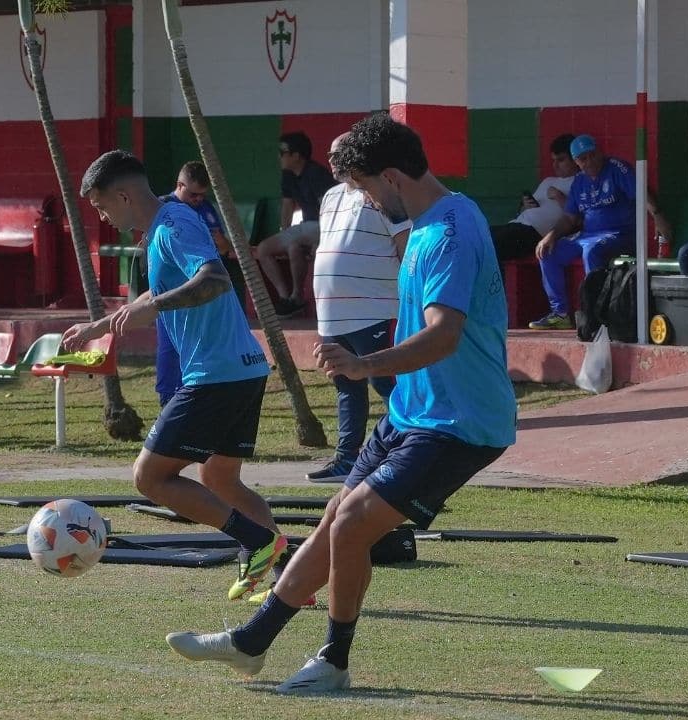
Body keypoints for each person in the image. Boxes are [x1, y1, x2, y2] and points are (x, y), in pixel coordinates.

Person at [165, 112, 516, 694]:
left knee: (352, 524)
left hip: (460, 424)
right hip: (413, 413)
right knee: (335, 520)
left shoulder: (449, 233)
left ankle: (333, 659)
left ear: (392, 176)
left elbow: (444, 334)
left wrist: (364, 365)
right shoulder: (440, 220)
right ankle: (250, 643)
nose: (368, 203)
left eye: (364, 187)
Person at [62, 150, 286, 601]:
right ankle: (280, 579)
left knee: (150, 478)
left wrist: (154, 306)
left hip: (216, 375)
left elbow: (215, 279)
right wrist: (98, 326)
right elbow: (160, 290)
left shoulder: (174, 225)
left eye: (103, 207)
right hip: (244, 369)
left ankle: (258, 540)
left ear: (124, 196)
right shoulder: (168, 226)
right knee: (221, 481)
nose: (104, 219)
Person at [305, 132, 412, 483]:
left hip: (375, 310)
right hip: (333, 315)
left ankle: (411, 452)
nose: (333, 161)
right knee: (345, 388)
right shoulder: (331, 196)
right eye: (330, 154)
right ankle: (346, 460)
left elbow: (404, 244)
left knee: (387, 385)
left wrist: (410, 297)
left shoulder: (381, 194)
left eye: (340, 154)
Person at [528, 134, 671, 329]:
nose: (589, 162)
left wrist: (657, 215)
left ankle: (594, 313)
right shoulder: (579, 181)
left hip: (619, 235)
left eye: (592, 155)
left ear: (599, 152)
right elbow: (570, 218)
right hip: (588, 236)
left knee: (592, 251)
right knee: (547, 252)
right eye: (582, 159)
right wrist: (551, 236)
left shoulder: (617, 169)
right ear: (576, 162)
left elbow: (641, 192)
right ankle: (560, 314)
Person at [155, 161, 247, 405]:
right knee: (170, 351)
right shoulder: (162, 207)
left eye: (202, 195)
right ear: (179, 185)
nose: (197, 199)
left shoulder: (205, 208)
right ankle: (167, 401)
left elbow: (224, 248)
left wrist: (217, 240)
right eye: (192, 194)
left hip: (202, 292)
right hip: (175, 292)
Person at [256, 131, 338, 316]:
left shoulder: (317, 174)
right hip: (304, 229)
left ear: (296, 155)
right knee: (268, 249)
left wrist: (324, 240)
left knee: (298, 244)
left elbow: (329, 210)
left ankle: (314, 301)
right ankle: (290, 299)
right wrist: (283, 232)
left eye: (283, 153)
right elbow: (287, 206)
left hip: (323, 227)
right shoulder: (287, 175)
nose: (279, 157)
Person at [490, 133, 578, 261]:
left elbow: (576, 219)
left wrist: (560, 197)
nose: (555, 165)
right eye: (553, 160)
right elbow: (524, 212)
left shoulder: (580, 182)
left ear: (575, 159)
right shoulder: (548, 181)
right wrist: (525, 207)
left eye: (561, 160)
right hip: (516, 225)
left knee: (491, 244)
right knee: (478, 236)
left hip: (535, 233)